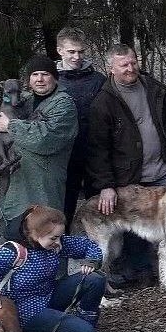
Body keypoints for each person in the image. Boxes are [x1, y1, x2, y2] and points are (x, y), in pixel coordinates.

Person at [86, 44, 166, 285]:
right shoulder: (103, 101)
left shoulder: (155, 89)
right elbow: (97, 148)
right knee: (135, 228)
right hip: (128, 176)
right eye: (123, 64)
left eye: (133, 62)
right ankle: (141, 272)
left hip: (162, 171)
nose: (130, 68)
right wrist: (105, 184)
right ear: (111, 68)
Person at [0, 205, 105, 332]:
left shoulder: (55, 244)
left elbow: (87, 245)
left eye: (60, 237)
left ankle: (85, 322)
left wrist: (91, 260)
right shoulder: (12, 253)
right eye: (53, 238)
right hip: (25, 312)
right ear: (34, 234)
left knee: (94, 279)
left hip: (49, 297)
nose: (58, 242)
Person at [0, 55, 78, 228]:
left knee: (46, 237)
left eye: (45, 74)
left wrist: (10, 126)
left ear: (55, 77)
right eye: (35, 74)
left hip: (44, 187)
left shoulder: (64, 105)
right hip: (15, 186)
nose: (40, 79)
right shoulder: (23, 101)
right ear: (29, 79)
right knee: (15, 238)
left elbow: (46, 139)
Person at [55, 27, 107, 229]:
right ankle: (59, 252)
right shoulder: (51, 81)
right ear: (60, 50)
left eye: (81, 51)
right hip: (64, 156)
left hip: (95, 155)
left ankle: (98, 255)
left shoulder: (98, 81)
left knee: (100, 209)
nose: (77, 56)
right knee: (62, 209)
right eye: (71, 52)